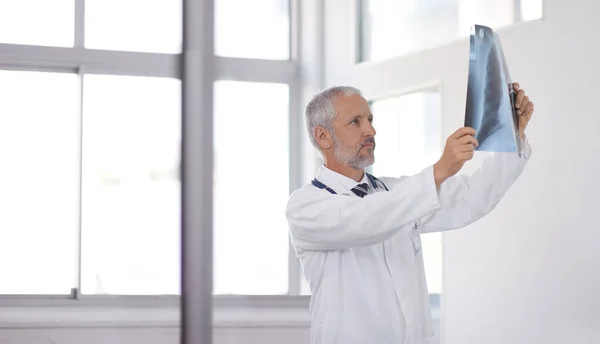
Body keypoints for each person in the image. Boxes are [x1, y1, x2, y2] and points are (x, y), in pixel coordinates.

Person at [285, 84, 534, 344]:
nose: (370, 130)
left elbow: (472, 197)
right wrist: (438, 171)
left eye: (369, 119)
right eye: (355, 122)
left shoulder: (394, 191)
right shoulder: (306, 207)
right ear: (323, 136)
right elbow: (366, 219)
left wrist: (513, 136)